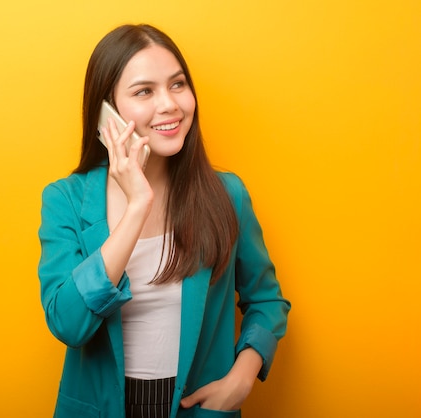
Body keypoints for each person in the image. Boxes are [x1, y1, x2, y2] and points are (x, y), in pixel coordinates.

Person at [38, 23, 290, 418]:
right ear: (108, 113)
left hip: (195, 407)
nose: (170, 104)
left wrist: (241, 378)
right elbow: (68, 324)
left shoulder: (227, 195)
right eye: (144, 92)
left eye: (178, 85)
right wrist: (137, 205)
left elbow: (266, 299)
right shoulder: (65, 200)